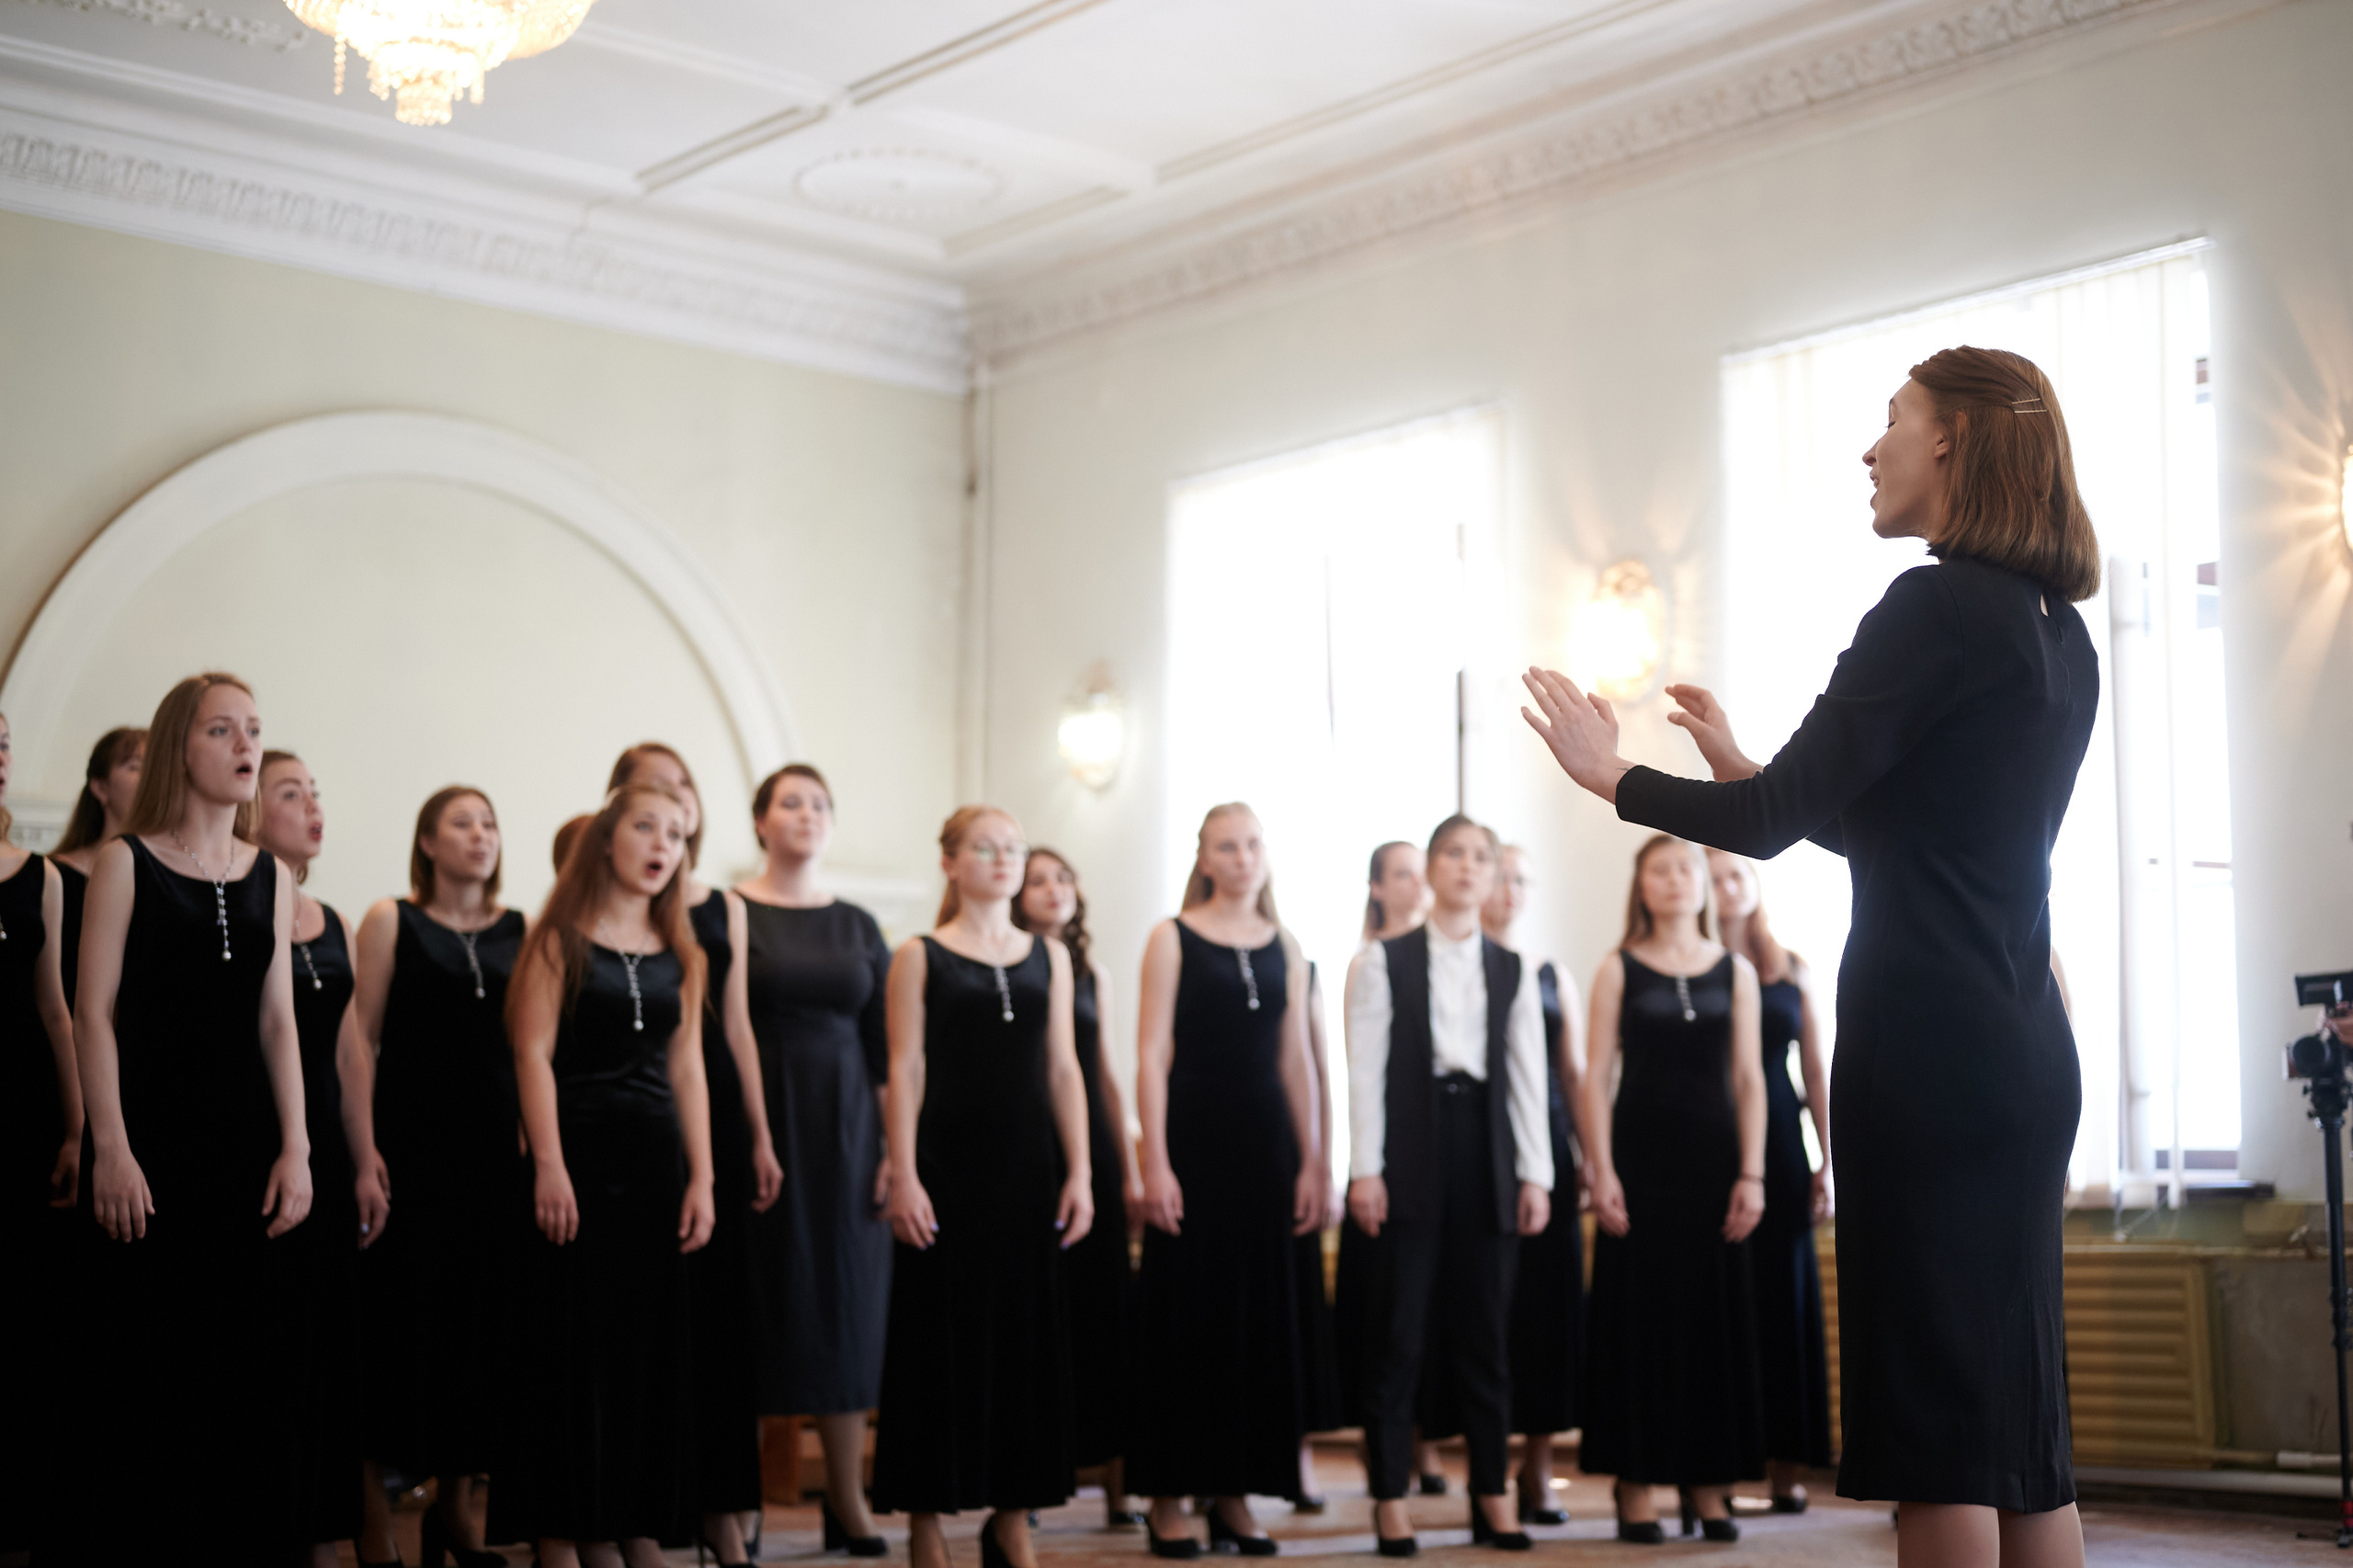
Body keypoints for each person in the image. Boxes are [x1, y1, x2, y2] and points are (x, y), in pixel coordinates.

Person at [1523, 346, 2100, 1567]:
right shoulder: (2061, 637)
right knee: (2015, 1420)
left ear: (1951, 443)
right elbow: (1901, 831)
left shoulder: (1934, 605)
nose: (1870, 446)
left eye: (1893, 420)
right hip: (2027, 1053)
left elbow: (1782, 821)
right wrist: (1744, 768)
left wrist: (1610, 772)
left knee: (1938, 1427)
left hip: (1928, 1046)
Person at [72, 672, 314, 1568]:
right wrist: (111, 1147)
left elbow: (278, 1020)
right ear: (183, 745)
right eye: (223, 729)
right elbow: (92, 1010)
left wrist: (298, 1147)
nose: (247, 744)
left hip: (247, 1147)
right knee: (156, 1370)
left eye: (254, 728)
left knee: (252, 1373)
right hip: (154, 1146)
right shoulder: (124, 862)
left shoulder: (272, 874)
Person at [494, 780, 715, 1568]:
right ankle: (565, 1531)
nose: (663, 845)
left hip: (655, 1167)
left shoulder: (683, 949)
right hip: (579, 1160)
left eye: (676, 834)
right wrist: (549, 1166)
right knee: (570, 1351)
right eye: (646, 829)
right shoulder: (558, 940)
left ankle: (634, 1525)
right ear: (606, 843)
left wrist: (703, 1179)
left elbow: (686, 1067)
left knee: (643, 1355)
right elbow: (532, 1056)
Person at [873, 806, 1096, 1568]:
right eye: (985, 848)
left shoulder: (1048, 957)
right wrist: (903, 1174)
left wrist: (1083, 1171)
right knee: (938, 1342)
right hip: (945, 1170)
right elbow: (904, 1070)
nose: (1002, 860)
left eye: (1013, 848)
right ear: (950, 863)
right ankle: (926, 1522)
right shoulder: (919, 955)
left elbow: (1064, 1069)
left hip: (1026, 1171)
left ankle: (1011, 1516)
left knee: (1022, 1343)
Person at [1346, 815, 1553, 1556]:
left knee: (1487, 1337)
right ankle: (1389, 1496)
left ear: (1495, 877)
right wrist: (1364, 1167)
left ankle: (1492, 1494)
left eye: (1481, 858)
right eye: (1453, 855)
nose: (1467, 868)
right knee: (1399, 1332)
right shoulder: (1382, 960)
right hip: (1410, 1144)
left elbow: (1529, 1074)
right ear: (1430, 870)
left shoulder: (1514, 966)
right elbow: (1364, 1071)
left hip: (1488, 1149)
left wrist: (1537, 1173)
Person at [1129, 802, 1328, 1556]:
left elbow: (1296, 1062)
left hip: (1265, 1155)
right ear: (1205, 858)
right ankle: (1170, 1495)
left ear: (1264, 855)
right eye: (1227, 847)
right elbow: (1151, 1055)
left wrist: (1312, 1159)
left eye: (1252, 844)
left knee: (1256, 1322)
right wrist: (1155, 1161)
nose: (1242, 857)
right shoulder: (1172, 937)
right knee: (1187, 1316)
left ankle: (1237, 1495)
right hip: (1192, 1149)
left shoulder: (1286, 944)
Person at [608, 744, 783, 1568]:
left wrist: (757, 1130)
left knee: (719, 1332)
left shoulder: (724, 906)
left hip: (709, 1103)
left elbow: (736, 1024)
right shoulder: (610, 912)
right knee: (646, 1326)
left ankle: (720, 1512)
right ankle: (637, 1517)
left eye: (681, 793)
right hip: (637, 1111)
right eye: (650, 796)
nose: (670, 808)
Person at [349, 786, 525, 1568]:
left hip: (494, 1161)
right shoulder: (393, 919)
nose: (479, 836)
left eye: (488, 823)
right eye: (462, 823)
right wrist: (365, 1149)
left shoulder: (522, 929)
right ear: (426, 841)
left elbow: (533, 1051)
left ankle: (456, 1516)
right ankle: (378, 1526)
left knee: (481, 1336)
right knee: (404, 1334)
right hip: (414, 1155)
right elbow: (359, 1040)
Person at [1575, 835, 1766, 1544]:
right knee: (1641, 1323)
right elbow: (1595, 1077)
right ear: (1642, 886)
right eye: (1660, 869)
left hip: (1716, 1167)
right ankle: (1636, 1485)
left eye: (1686, 867)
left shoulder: (1736, 971)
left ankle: (1710, 1488)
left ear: (1704, 883)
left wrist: (1753, 1173)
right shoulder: (1616, 968)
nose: (1676, 879)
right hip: (1640, 1166)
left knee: (1711, 1322)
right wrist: (1601, 1170)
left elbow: (1748, 1079)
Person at [733, 764, 893, 1554]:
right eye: (790, 802)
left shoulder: (860, 924)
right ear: (760, 821)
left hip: (848, 1127)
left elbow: (885, 1049)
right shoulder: (728, 909)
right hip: (757, 1120)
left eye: (820, 804)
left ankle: (848, 1499)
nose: (807, 814)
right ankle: (745, 1501)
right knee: (759, 1301)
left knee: (846, 1304)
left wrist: (896, 1150)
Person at [252, 750, 369, 1565]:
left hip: (329, 1141)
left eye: (315, 793)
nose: (312, 807)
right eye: (290, 793)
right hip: (261, 1142)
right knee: (271, 1345)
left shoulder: (336, 921)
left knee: (332, 1349)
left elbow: (355, 1054)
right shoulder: (235, 903)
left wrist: (364, 1158)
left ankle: (329, 1534)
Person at [1016, 846, 1146, 1527]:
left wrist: (1130, 1166)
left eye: (1062, 877)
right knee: (1044, 1314)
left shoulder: (1092, 970)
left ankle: (1122, 1486)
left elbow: (1108, 1072)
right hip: (1026, 1142)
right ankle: (1032, 1481)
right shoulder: (1001, 962)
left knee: (1105, 1315)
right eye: (1038, 879)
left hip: (1092, 1141)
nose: (1053, 888)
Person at [1708, 849, 1834, 1508]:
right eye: (1713, 876)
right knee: (1723, 1305)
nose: (1725, 887)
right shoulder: (1689, 965)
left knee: (1786, 1303)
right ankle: (1718, 1470)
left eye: (1736, 875)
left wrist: (1827, 1159)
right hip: (1706, 1137)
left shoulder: (1793, 969)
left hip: (1782, 1141)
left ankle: (1788, 1469)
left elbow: (1815, 1068)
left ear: (1754, 883)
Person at [1482, 845, 1588, 1524]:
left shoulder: (1551, 973)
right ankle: (1484, 1465)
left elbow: (1574, 1075)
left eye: (1522, 880)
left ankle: (1540, 1469)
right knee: (1489, 1315)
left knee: (1550, 1314)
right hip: (1480, 1149)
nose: (1511, 890)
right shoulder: (1454, 968)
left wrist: (1595, 1162)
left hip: (1550, 1150)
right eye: (1500, 876)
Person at [1335, 842, 1444, 1493]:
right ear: (1377, 888)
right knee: (1394, 1318)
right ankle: (1393, 1447)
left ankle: (1428, 1441)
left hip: (1442, 1151)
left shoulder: (1454, 955)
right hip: (1390, 1155)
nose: (1418, 882)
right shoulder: (1368, 962)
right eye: (1403, 873)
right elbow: (1363, 1070)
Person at [0, 710, 83, 1564]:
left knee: (25, 1323)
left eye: (1, 742)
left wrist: (76, 1127)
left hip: (23, 1116)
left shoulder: (41, 876)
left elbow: (58, 1010)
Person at [1290, 960, 1348, 1511]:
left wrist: (1321, 1164)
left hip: (1285, 1155)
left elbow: (1315, 1069)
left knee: (1289, 1317)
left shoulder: (1295, 962)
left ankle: (1297, 1455)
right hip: (1205, 1138)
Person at [47, 725, 144, 1009]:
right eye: (136, 767)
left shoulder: (170, 876)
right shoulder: (57, 876)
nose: (151, 778)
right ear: (101, 788)